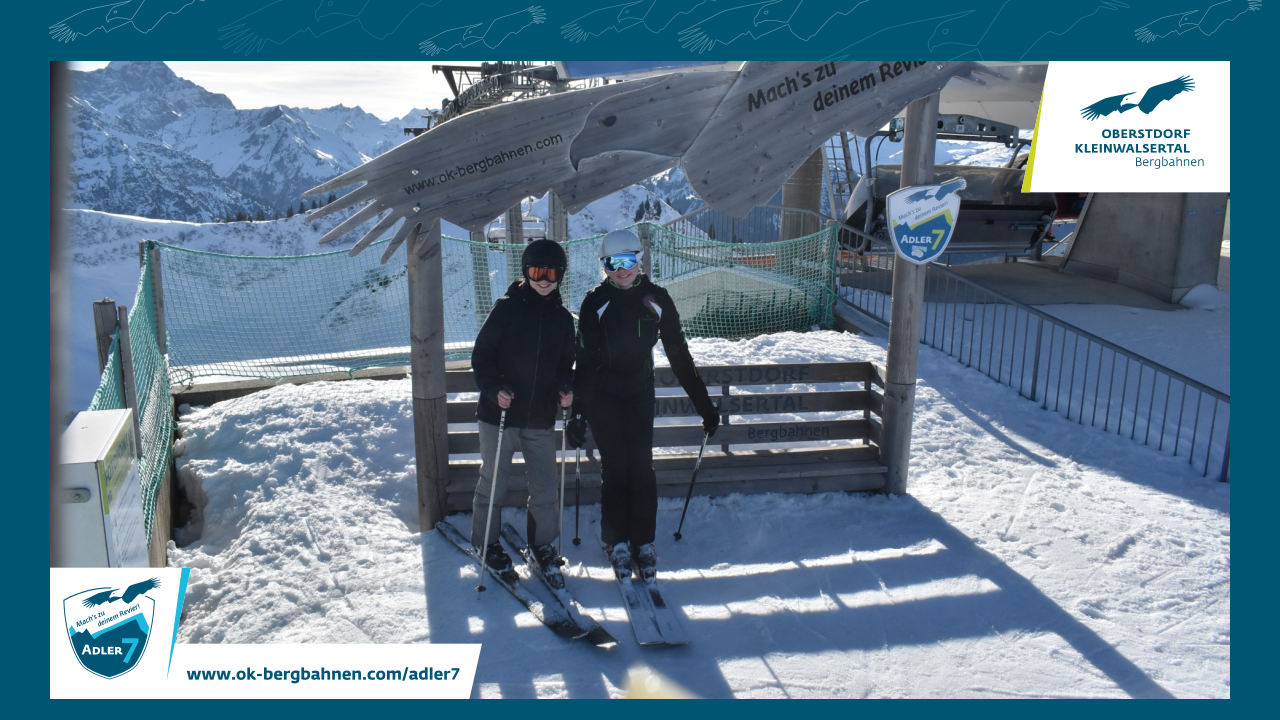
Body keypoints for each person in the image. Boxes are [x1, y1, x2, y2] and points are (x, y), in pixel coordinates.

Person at [567, 229, 720, 582]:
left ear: (640, 260)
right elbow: (585, 361)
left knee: (641, 468)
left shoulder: (657, 299)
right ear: (604, 266)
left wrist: (705, 406)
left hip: (638, 392)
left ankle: (643, 541)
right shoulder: (595, 302)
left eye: (628, 261)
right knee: (615, 468)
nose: (621, 270)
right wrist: (579, 413)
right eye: (612, 263)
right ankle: (615, 541)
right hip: (604, 395)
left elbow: (679, 354)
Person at [470, 239, 576, 588]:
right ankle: (485, 542)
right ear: (525, 272)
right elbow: (481, 357)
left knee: (545, 487)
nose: (544, 280)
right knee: (494, 482)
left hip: (540, 417)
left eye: (551, 274)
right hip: (499, 414)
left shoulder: (563, 320)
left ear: (561, 276)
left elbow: (565, 366)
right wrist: (494, 389)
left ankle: (542, 544)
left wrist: (565, 388)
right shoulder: (506, 310)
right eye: (537, 272)